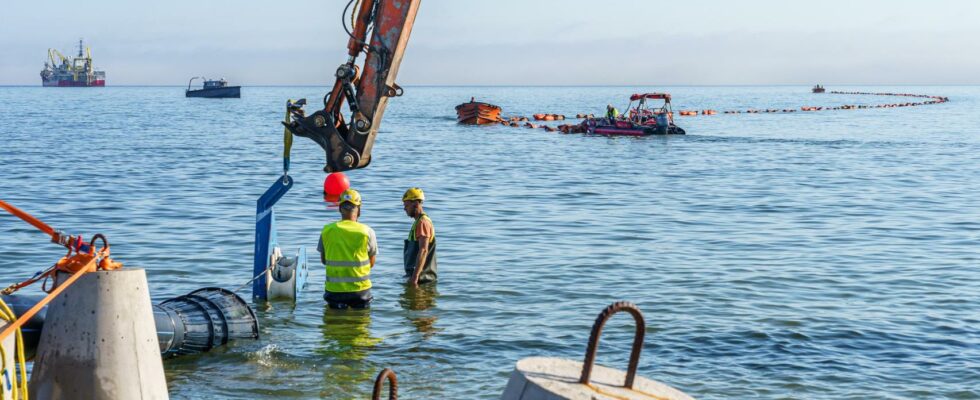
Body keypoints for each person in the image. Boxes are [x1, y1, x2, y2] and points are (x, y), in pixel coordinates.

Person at [318, 188, 378, 309]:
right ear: (359, 210)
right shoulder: (367, 231)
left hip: (334, 291)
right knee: (361, 324)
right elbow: (371, 263)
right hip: (360, 290)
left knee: (333, 325)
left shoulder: (327, 230)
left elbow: (324, 261)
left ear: (340, 208)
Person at [402, 187, 437, 286]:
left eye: (407, 205)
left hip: (422, 279)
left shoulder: (423, 222)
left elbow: (423, 250)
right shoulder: (418, 222)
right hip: (419, 277)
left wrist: (415, 277)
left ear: (416, 203)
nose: (404, 208)